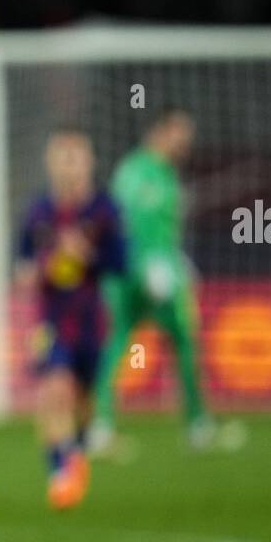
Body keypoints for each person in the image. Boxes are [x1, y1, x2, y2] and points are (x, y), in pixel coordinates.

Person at [92, 108, 213, 452]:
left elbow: (161, 231)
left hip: (155, 270)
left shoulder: (162, 173)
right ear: (160, 131)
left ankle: (193, 422)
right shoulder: (139, 172)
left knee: (154, 340)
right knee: (146, 340)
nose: (185, 141)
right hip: (135, 273)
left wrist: (177, 261)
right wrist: (149, 265)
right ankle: (192, 422)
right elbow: (126, 222)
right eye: (179, 132)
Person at [16, 130, 126, 509]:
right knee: (55, 389)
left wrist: (86, 256)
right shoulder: (38, 214)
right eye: (62, 155)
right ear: (50, 162)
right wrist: (44, 266)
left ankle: (75, 453)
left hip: (91, 321)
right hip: (50, 321)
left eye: (76, 155)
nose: (69, 163)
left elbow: (121, 265)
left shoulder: (105, 212)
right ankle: (59, 472)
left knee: (85, 401)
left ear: (90, 161)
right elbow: (24, 269)